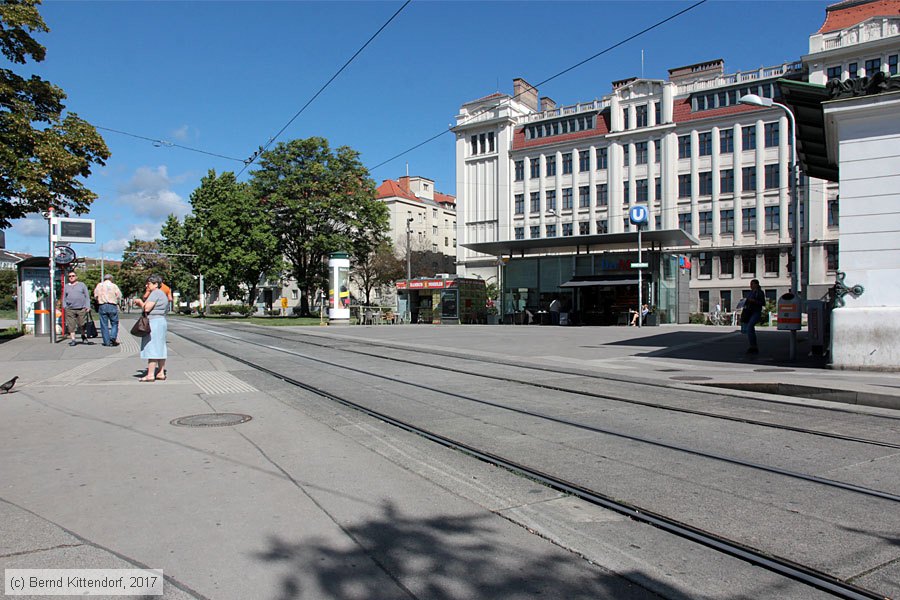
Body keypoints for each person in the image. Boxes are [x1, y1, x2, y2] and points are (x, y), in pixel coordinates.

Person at [133, 274, 169, 382]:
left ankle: (150, 374)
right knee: (160, 347)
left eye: (149, 283)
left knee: (152, 347)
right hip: (161, 321)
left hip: (154, 322)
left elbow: (147, 308)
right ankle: (161, 372)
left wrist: (140, 303)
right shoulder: (162, 294)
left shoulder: (155, 293)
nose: (146, 285)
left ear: (155, 284)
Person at [93, 274, 123, 347]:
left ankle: (106, 342)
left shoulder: (99, 285)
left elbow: (95, 296)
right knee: (114, 323)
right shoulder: (114, 286)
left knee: (104, 324)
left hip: (102, 305)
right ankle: (113, 337)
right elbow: (119, 296)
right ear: (111, 279)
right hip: (112, 305)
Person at [63, 270, 90, 346]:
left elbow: (87, 296)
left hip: (81, 308)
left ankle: (83, 335)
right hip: (70, 309)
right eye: (70, 276)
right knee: (71, 325)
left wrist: (87, 306)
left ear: (76, 277)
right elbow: (64, 297)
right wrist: (64, 306)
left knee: (82, 324)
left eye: (73, 276)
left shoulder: (82, 285)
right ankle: (73, 339)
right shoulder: (66, 286)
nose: (71, 277)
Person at [742, 279, 766, 353]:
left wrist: (754, 301)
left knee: (750, 327)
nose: (751, 286)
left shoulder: (760, 292)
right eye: (750, 284)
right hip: (749, 312)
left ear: (756, 284)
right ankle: (753, 346)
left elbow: (763, 303)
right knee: (750, 329)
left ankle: (753, 346)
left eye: (752, 284)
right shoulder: (751, 292)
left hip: (756, 312)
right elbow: (747, 301)